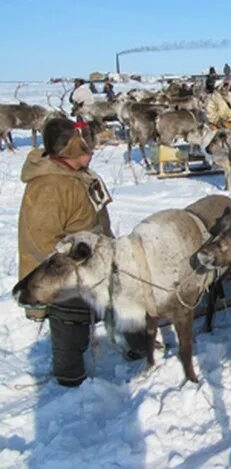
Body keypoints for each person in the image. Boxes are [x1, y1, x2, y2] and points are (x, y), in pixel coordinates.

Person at [17, 119, 146, 386]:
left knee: (125, 301)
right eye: (87, 147)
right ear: (71, 149)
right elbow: (41, 240)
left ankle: (139, 346)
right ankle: (69, 376)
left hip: (99, 259)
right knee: (70, 320)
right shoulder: (48, 187)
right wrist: (76, 263)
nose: (93, 152)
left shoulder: (78, 174)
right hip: (67, 270)